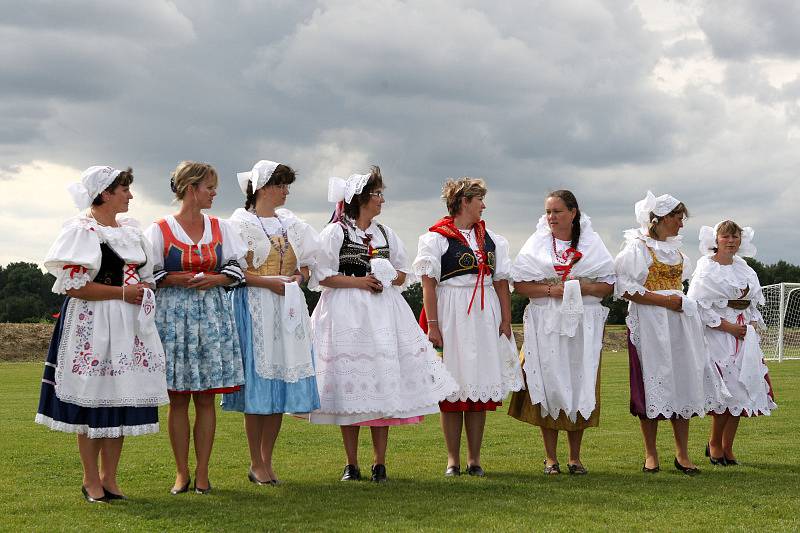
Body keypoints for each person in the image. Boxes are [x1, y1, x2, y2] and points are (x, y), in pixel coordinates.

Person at [309, 166, 457, 483]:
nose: (381, 200)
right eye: (378, 194)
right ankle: (351, 462)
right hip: (347, 312)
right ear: (362, 198)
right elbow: (322, 276)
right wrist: (361, 281)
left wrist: (387, 273)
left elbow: (404, 274)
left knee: (382, 383)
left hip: (383, 313)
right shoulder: (336, 233)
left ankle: (379, 462)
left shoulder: (385, 234)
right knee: (349, 388)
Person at [36, 166, 169, 502]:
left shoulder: (132, 232)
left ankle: (110, 478)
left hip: (129, 324)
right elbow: (75, 286)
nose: (130, 195)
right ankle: (90, 478)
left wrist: (143, 290)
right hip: (93, 323)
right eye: (124, 189)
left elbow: (147, 276)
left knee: (121, 396)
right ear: (105, 193)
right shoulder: (83, 231)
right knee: (92, 398)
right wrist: (122, 293)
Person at [145, 161, 246, 494]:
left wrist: (216, 278)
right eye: (210, 188)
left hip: (212, 316)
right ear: (191, 189)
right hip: (173, 318)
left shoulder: (222, 227)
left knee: (204, 399)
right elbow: (147, 275)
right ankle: (181, 472)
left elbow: (238, 270)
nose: (214, 194)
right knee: (177, 400)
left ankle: (202, 473)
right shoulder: (159, 229)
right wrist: (173, 277)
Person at [414, 177, 524, 477]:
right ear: (464, 202)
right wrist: (433, 325)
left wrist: (505, 320)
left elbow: (501, 284)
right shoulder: (435, 239)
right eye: (479, 200)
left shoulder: (493, 240)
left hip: (484, 316)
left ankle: (474, 459)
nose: (484, 206)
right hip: (451, 313)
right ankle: (452, 459)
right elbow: (429, 285)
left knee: (479, 389)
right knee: (452, 390)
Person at [221, 160, 321, 485]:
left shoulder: (290, 223)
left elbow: (308, 262)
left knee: (279, 383)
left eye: (286, 185)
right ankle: (255, 460)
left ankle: (268, 458)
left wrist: (299, 276)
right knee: (259, 385)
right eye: (280, 185)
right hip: (255, 306)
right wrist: (269, 283)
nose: (285, 191)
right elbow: (233, 272)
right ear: (262, 188)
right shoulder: (239, 223)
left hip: (286, 308)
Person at [614, 191, 729, 476]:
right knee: (650, 383)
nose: (681, 223)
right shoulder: (637, 248)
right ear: (663, 218)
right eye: (678, 217)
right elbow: (625, 289)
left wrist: (679, 304)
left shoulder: (677, 252)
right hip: (650, 323)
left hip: (679, 324)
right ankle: (650, 453)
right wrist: (664, 300)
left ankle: (682, 453)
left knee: (683, 381)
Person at [507, 190, 615, 475]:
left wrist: (581, 288)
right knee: (550, 383)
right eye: (548, 212)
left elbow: (608, 285)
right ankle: (551, 457)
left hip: (582, 324)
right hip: (546, 323)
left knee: (578, 384)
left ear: (573, 212)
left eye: (557, 211)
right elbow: (519, 284)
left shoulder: (592, 244)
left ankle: (575, 457)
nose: (551, 217)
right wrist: (551, 290)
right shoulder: (537, 243)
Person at [688, 220, 776, 465]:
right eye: (725, 237)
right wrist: (728, 327)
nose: (731, 241)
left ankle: (727, 446)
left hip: (743, 335)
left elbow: (752, 302)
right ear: (715, 240)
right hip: (719, 335)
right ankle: (714, 443)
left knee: (742, 390)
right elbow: (698, 306)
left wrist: (752, 325)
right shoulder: (706, 269)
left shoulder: (744, 268)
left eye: (735, 237)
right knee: (725, 392)